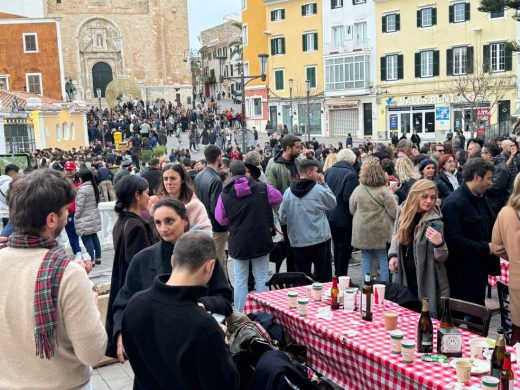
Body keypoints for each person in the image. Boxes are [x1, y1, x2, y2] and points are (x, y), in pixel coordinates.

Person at [0, 170, 107, 389]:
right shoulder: (68, 274)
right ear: (51, 219)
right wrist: (92, 305)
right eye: (65, 210)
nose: (67, 216)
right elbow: (93, 353)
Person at [113, 199, 232, 362]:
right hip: (155, 350)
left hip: (197, 347)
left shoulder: (205, 253)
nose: (163, 228)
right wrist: (120, 332)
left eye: (169, 221)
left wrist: (202, 304)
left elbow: (224, 300)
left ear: (185, 221)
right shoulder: (142, 260)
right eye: (158, 223)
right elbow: (123, 303)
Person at [122, 231, 239, 390]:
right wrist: (222, 342)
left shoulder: (135, 304)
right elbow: (226, 384)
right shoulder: (204, 327)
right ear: (209, 266)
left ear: (172, 260)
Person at [215, 160, 282, 312]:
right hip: (261, 240)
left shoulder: (224, 194)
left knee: (240, 281)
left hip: (239, 243)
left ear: (230, 174)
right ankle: (263, 313)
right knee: (262, 279)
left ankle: (240, 314)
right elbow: (278, 198)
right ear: (245, 172)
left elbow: (220, 218)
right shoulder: (262, 188)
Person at [105, 175, 154, 358]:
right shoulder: (136, 226)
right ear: (137, 195)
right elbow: (141, 268)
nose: (149, 197)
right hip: (136, 297)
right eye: (147, 193)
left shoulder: (122, 222)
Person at [442, 158, 499, 306]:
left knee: (477, 316)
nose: (490, 182)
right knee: (459, 318)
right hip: (461, 274)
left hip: (478, 270)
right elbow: (454, 241)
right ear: (476, 177)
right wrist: (487, 247)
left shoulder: (481, 197)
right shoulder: (454, 203)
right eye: (488, 178)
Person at [388, 179, 449, 316]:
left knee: (423, 316)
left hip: (425, 278)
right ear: (415, 195)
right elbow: (396, 234)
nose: (429, 201)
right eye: (425, 196)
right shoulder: (403, 210)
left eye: (433, 197)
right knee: (403, 313)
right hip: (403, 273)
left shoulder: (435, 220)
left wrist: (439, 244)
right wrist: (393, 255)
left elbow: (441, 257)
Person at [279, 159, 336, 282]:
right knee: (324, 276)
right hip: (319, 239)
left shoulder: (288, 192)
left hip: (298, 241)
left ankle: (304, 299)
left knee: (302, 277)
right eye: (316, 171)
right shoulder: (318, 189)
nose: (319, 174)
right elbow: (332, 203)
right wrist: (324, 184)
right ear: (310, 173)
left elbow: (282, 217)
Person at [350, 157, 397, 283]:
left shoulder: (358, 189)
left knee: (366, 257)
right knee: (383, 258)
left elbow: (351, 209)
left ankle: (366, 284)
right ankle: (385, 286)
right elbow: (394, 212)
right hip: (381, 231)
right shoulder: (384, 190)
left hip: (363, 230)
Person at [492, 174, 520, 344]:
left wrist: (513, 255)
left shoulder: (506, 212)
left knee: (517, 335)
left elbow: (497, 247)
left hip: (517, 279)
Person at [194, 145, 229, 277]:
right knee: (217, 262)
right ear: (218, 157)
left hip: (202, 224)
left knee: (218, 260)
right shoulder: (215, 179)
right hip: (216, 227)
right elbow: (217, 208)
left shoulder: (199, 175)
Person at [324, 148, 359, 277]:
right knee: (344, 249)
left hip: (329, 216)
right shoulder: (351, 175)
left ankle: (338, 277)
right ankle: (341, 278)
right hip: (344, 218)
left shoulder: (328, 171)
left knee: (336, 247)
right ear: (352, 160)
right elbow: (348, 198)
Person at [148, 164, 211, 232]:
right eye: (165, 179)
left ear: (182, 180)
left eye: (173, 178)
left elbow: (206, 232)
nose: (168, 182)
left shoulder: (195, 205)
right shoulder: (158, 203)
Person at [74, 168, 102, 265]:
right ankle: (98, 257)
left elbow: (79, 206)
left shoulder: (82, 189)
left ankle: (91, 259)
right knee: (94, 236)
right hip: (93, 216)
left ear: (82, 178)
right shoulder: (94, 187)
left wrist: (76, 216)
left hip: (84, 217)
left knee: (87, 238)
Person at [481, 142, 511, 215]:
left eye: (482, 153)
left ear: (488, 154)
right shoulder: (493, 165)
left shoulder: (501, 168)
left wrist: (479, 186)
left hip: (496, 206)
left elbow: (494, 188)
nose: (480, 155)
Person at [64, 161, 83, 260]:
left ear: (75, 170)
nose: (69, 172)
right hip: (69, 212)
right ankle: (77, 252)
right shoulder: (62, 182)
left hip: (81, 212)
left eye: (70, 170)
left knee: (84, 233)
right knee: (72, 233)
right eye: (67, 170)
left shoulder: (80, 181)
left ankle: (91, 254)